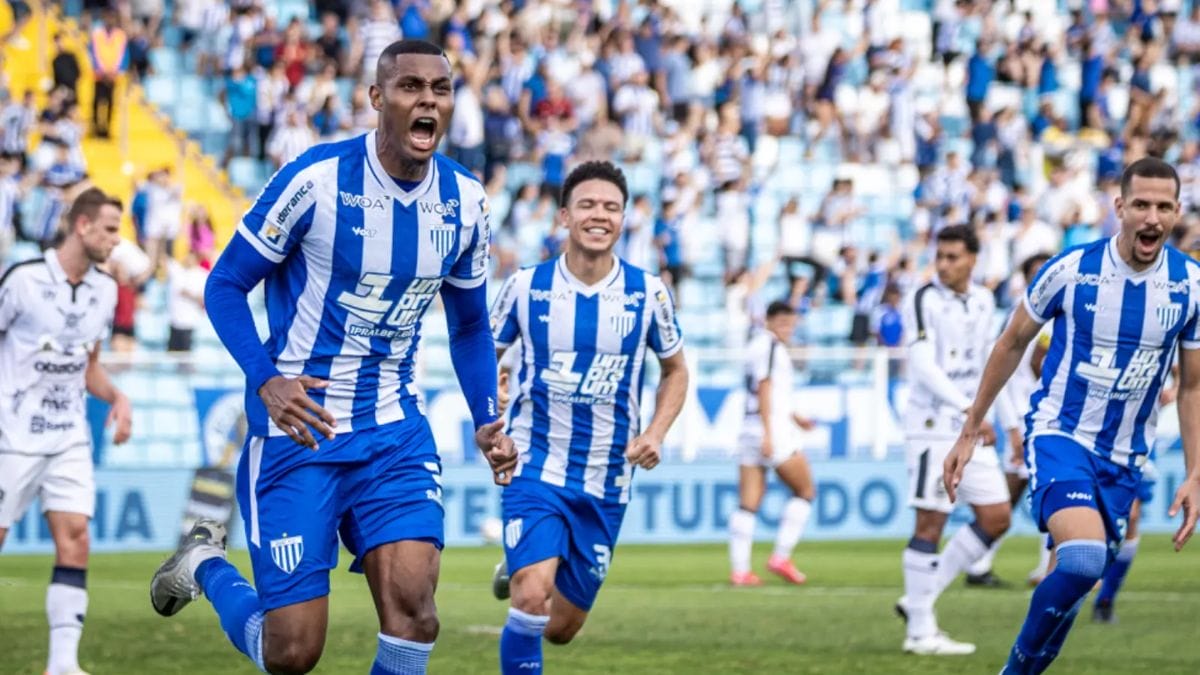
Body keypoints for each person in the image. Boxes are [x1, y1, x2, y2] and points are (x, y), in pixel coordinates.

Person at [148, 39, 517, 675]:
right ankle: (205, 565)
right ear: (377, 98)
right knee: (293, 652)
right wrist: (266, 381)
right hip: (301, 432)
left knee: (415, 614)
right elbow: (225, 285)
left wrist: (487, 418)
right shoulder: (314, 180)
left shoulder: (466, 202)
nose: (427, 100)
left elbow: (470, 323)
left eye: (441, 89)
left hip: (394, 433)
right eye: (410, 87)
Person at [944, 157, 1200, 674]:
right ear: (1120, 207)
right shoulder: (1071, 269)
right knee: (1083, 558)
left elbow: (1192, 384)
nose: (1152, 218)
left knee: (1081, 578)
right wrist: (972, 426)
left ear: (1176, 211)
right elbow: (1012, 341)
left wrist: (1196, 471)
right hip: (1060, 433)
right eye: (1142, 205)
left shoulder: (1191, 286)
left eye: (1164, 206)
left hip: (1125, 455)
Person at [486, 161, 690, 675]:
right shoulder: (525, 287)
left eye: (611, 207)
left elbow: (676, 371)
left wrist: (656, 432)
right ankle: (527, 566)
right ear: (563, 217)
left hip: (606, 478)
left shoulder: (649, 294)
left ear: (623, 220)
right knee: (531, 599)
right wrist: (492, 401)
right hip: (534, 466)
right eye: (587, 205)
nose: (599, 215)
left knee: (560, 629)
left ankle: (522, 565)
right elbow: (482, 355)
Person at [0, 187, 133, 675]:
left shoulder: (105, 289)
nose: (116, 241)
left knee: (75, 537)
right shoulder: (24, 280)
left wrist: (117, 397)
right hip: (10, 435)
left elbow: (88, 368)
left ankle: (62, 665)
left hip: (68, 434)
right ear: (82, 225)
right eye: (111, 229)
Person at [896, 224, 1012, 656]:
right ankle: (920, 632)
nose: (943, 265)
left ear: (972, 260)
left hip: (970, 424)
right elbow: (922, 364)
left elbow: (992, 363)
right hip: (932, 426)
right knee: (930, 521)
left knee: (997, 516)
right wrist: (969, 411)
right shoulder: (923, 298)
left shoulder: (983, 301)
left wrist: (1001, 418)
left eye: (952, 257)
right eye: (939, 256)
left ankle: (917, 600)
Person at [964, 252, 1054, 588]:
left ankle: (987, 565)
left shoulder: (1060, 314)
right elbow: (1006, 376)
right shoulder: (1021, 317)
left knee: (1026, 494)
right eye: (1034, 273)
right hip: (1025, 418)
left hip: (1045, 417)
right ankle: (987, 565)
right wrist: (1014, 428)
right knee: (1020, 495)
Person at [728, 300, 817, 586]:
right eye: (783, 323)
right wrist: (769, 432)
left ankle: (740, 570)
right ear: (768, 321)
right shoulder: (770, 347)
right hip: (771, 430)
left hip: (749, 426)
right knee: (805, 490)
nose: (787, 329)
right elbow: (764, 387)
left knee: (748, 503)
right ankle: (781, 556)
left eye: (791, 324)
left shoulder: (756, 345)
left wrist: (796, 416)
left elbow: (769, 392)